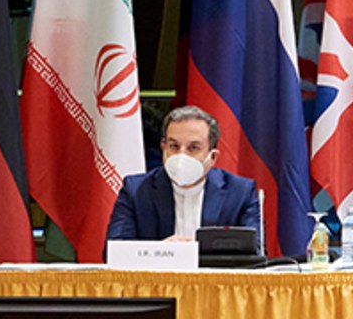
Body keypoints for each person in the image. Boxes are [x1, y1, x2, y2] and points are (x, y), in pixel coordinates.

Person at [105, 105, 261, 245]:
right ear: (163, 148)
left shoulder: (240, 193)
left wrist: (199, 253)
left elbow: (255, 253)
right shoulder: (136, 190)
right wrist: (161, 252)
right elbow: (114, 251)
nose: (181, 155)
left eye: (193, 148)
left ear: (212, 157)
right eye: (174, 146)